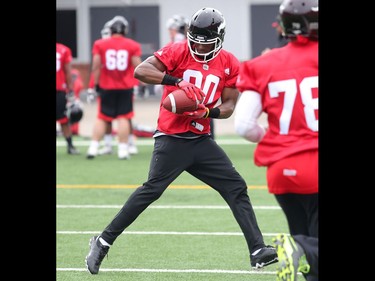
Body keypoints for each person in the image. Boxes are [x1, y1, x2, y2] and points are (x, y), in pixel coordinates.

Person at [85, 7, 278, 275]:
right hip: (172, 138)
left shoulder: (230, 62)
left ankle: (257, 250)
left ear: (219, 39)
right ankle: (103, 242)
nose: (199, 48)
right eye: (196, 41)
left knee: (236, 187)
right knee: (151, 191)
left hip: (200, 140)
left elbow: (231, 104)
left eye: (206, 42)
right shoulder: (178, 51)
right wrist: (176, 81)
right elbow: (141, 70)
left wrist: (208, 112)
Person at [234, 0, 318, 279]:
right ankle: (300, 247)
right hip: (315, 165)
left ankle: (301, 249)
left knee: (309, 256)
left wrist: (271, 137)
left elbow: (244, 126)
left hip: (282, 170)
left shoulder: (264, 64)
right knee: (309, 245)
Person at [86, 15, 142, 160]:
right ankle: (123, 150)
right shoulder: (132, 45)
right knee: (123, 117)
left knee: (102, 117)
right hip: (125, 86)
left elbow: (96, 67)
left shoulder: (100, 44)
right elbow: (139, 66)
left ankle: (93, 147)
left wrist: (94, 85)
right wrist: (142, 84)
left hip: (106, 85)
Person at [56, 42, 80, 155]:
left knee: (63, 119)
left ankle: (70, 145)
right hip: (59, 89)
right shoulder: (63, 50)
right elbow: (67, 71)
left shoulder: (63, 50)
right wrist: (70, 89)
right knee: (63, 119)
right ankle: (70, 146)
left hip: (59, 89)